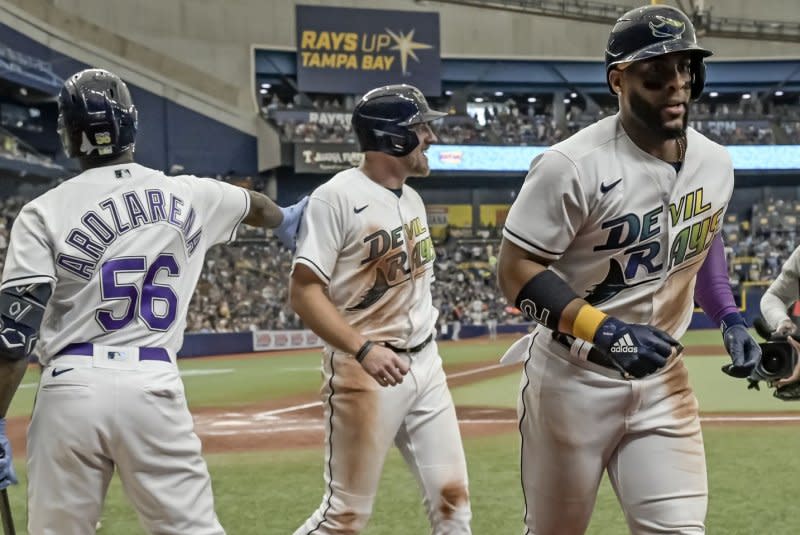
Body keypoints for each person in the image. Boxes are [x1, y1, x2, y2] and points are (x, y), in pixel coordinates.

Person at [0, 68, 307, 535]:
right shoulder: (193, 193)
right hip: (153, 383)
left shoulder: (41, 212)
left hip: (70, 388)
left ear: (68, 135)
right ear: (133, 126)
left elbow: (13, 337)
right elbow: (256, 206)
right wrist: (285, 219)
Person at [496, 6, 760, 534]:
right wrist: (607, 333)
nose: (676, 85)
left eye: (686, 68)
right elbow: (516, 269)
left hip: (664, 380)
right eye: (656, 73)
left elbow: (701, 238)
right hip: (573, 381)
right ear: (619, 80)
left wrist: (730, 317)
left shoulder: (716, 163)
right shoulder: (571, 165)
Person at [290, 84, 471, 534]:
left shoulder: (411, 197)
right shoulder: (334, 198)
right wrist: (362, 348)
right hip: (365, 369)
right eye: (421, 127)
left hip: (425, 364)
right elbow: (305, 291)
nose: (430, 136)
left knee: (454, 507)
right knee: (344, 519)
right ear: (394, 138)